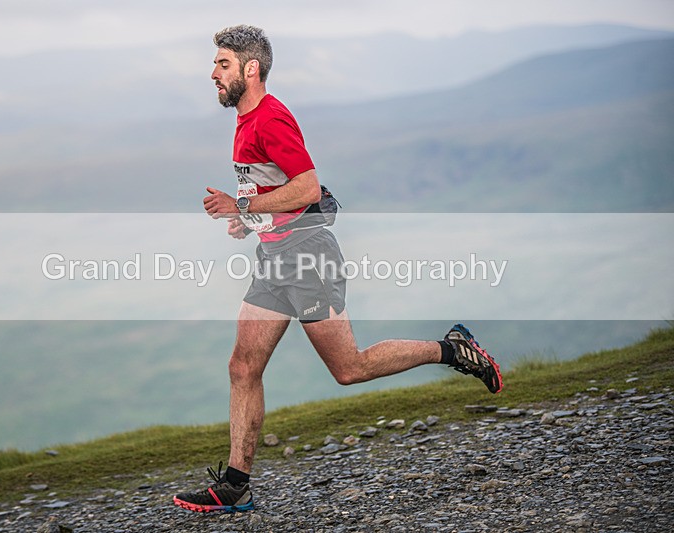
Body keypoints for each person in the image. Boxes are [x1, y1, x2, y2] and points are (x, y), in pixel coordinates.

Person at [173, 24, 502, 514]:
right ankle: (236, 484)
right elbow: (281, 194)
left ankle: (451, 350)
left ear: (251, 69)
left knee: (349, 368)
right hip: (275, 258)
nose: (211, 74)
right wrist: (252, 220)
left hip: (308, 259)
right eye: (215, 64)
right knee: (243, 366)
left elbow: (308, 188)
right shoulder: (245, 121)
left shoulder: (270, 119)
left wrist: (242, 209)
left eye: (222, 65)